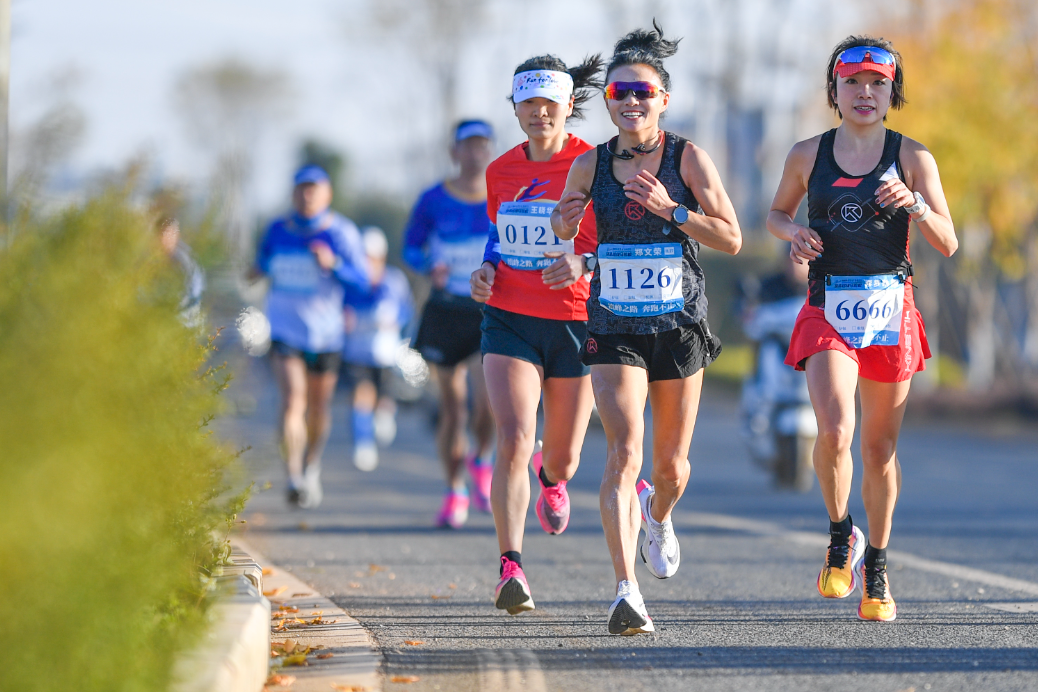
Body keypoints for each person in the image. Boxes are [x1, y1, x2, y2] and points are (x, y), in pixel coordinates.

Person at [552, 22, 742, 635]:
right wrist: (563, 219)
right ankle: (625, 591)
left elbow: (732, 238)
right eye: (620, 93)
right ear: (607, 101)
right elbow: (565, 232)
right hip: (614, 323)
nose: (631, 102)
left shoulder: (689, 157)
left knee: (671, 468)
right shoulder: (588, 164)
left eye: (643, 92)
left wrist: (673, 211)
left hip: (678, 322)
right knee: (624, 451)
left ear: (663, 99)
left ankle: (658, 517)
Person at [766, 36, 957, 621]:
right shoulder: (807, 154)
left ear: (891, 90)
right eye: (853, 82)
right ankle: (839, 531)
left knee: (878, 449)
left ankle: (876, 564)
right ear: (836, 90)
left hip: (889, 315)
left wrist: (916, 206)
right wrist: (791, 233)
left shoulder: (913, 157)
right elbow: (776, 214)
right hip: (827, 311)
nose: (865, 93)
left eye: (878, 83)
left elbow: (948, 243)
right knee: (836, 431)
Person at [470, 54, 603, 614]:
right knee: (515, 435)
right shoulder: (500, 172)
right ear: (517, 108)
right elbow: (500, 238)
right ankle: (511, 567)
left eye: (551, 101)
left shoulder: (595, 165)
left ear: (570, 105)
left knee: (564, 458)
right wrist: (484, 270)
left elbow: (615, 241)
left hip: (574, 321)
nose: (540, 111)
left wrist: (582, 264)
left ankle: (553, 478)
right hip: (509, 317)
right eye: (529, 102)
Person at [250, 165, 370, 509]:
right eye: (301, 189)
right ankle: (293, 477)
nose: (307, 195)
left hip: (326, 334)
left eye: (314, 189)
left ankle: (311, 464)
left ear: (327, 194)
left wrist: (333, 265)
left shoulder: (342, 233)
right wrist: (256, 270)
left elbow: (362, 281)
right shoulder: (277, 229)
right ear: (293, 194)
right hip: (286, 329)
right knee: (292, 401)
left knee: (318, 408)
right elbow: (260, 264)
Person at [404, 120, 497, 528]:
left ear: (489, 150)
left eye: (481, 146)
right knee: (453, 409)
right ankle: (454, 488)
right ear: (454, 152)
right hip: (444, 309)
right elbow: (410, 246)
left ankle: (482, 459)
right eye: (467, 146)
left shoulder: (502, 192)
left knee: (487, 402)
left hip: (487, 309)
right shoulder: (432, 199)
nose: (475, 154)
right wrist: (429, 265)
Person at [343, 227, 414, 472]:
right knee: (361, 395)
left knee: (383, 398)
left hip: (386, 354)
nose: (366, 262)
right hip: (357, 352)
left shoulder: (394, 282)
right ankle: (363, 444)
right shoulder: (351, 283)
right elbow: (342, 310)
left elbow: (406, 312)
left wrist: (400, 328)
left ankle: (385, 414)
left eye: (371, 257)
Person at [157, 216, 206, 328]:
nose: (167, 239)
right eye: (164, 234)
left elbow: (190, 294)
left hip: (183, 322)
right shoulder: (152, 260)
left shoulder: (185, 263)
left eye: (171, 234)